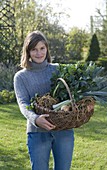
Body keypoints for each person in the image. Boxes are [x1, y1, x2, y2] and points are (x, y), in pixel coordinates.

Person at [14, 30, 74, 170]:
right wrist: (35, 119)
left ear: (47, 48)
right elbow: (23, 104)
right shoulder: (20, 77)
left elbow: (71, 96)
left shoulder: (58, 70)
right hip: (37, 132)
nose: (39, 53)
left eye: (42, 48)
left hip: (63, 131)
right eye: (34, 49)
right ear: (27, 52)